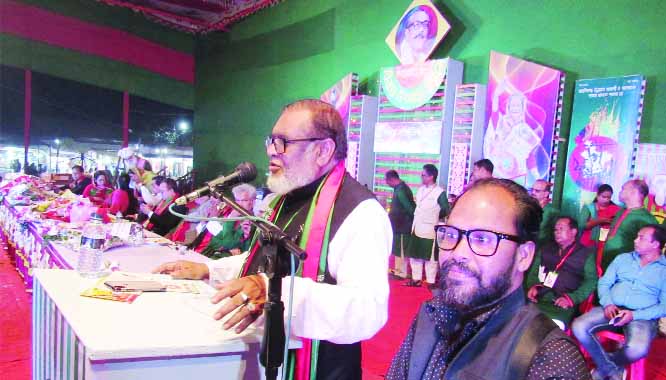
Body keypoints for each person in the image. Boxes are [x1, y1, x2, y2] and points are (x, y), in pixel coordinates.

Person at [153, 99, 392, 379]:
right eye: (270, 141)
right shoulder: (285, 198)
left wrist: (275, 293)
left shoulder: (361, 212)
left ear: (323, 150)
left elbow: (368, 310)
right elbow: (265, 262)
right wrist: (211, 269)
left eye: (282, 142)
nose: (270, 151)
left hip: (321, 369)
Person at [386, 178, 590, 380]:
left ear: (524, 256)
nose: (458, 253)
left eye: (482, 238)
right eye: (450, 234)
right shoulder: (431, 314)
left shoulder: (550, 359)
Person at [572, 225, 666, 380]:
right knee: (578, 326)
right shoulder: (623, 258)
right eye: (637, 236)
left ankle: (603, 369)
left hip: (641, 316)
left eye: (641, 238)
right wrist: (608, 303)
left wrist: (634, 315)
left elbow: (664, 306)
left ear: (655, 244)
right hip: (611, 308)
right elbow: (604, 283)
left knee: (638, 349)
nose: (635, 240)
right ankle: (611, 369)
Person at [525, 216, 597, 329]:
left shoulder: (585, 254)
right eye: (555, 230)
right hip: (540, 298)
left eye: (561, 229)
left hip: (563, 304)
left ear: (573, 232)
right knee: (520, 325)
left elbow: (591, 281)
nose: (557, 233)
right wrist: (533, 286)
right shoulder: (546, 249)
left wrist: (572, 299)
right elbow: (534, 271)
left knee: (547, 331)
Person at [405, 164, 449, 287]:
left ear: (431, 176)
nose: (421, 177)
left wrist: (434, 215)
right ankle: (416, 279)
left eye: (423, 175)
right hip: (417, 226)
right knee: (415, 255)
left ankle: (430, 281)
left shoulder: (440, 192)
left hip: (429, 228)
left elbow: (446, 209)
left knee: (430, 257)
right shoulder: (420, 190)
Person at [599, 179, 657, 272]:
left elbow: (651, 250)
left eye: (623, 189)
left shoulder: (646, 219)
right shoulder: (621, 211)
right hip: (606, 264)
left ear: (633, 192)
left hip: (625, 270)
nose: (620, 191)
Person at [188, 184, 257, 259]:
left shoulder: (252, 223)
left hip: (222, 262)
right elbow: (214, 241)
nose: (239, 204)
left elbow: (228, 244)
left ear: (253, 202)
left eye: (243, 200)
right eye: (237, 200)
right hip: (207, 255)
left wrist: (231, 218)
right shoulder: (235, 216)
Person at [385, 170, 416, 279]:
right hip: (399, 225)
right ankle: (398, 271)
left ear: (392, 179)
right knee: (399, 249)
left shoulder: (401, 190)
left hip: (403, 225)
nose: (386, 183)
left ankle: (401, 273)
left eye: (387, 181)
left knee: (402, 249)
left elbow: (410, 209)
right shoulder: (399, 189)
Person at [578, 184, 621, 248]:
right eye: (603, 197)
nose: (606, 200)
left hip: (606, 243)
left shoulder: (616, 209)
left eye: (609, 197)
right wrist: (600, 220)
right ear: (597, 195)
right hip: (588, 242)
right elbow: (582, 225)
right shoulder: (589, 208)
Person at [531, 179, 559, 247]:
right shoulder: (526, 207)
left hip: (542, 249)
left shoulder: (552, 211)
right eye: (532, 190)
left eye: (537, 191)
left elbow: (554, 233)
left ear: (546, 194)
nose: (533, 192)